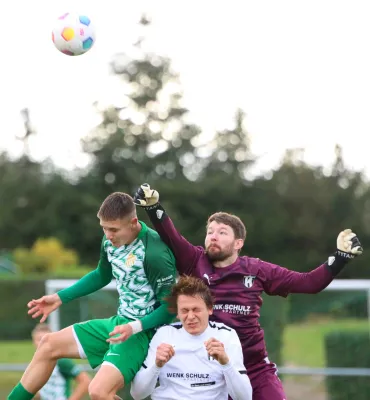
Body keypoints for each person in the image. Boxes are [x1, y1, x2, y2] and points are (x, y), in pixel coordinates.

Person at [133, 183, 363, 400]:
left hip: (253, 366)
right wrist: (154, 207)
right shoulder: (195, 261)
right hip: (210, 370)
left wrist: (340, 258)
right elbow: (172, 237)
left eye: (222, 232)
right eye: (210, 231)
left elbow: (308, 283)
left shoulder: (257, 270)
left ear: (238, 243)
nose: (213, 235)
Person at [8, 192, 177, 400]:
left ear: (133, 222)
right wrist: (60, 297)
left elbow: (171, 308)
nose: (108, 235)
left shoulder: (155, 253)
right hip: (119, 324)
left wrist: (133, 327)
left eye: (113, 229)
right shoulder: (110, 241)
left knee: (98, 391)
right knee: (47, 345)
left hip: (142, 333)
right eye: (104, 228)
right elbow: (101, 275)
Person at [130, 275, 252, 400]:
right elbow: (137, 394)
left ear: (209, 309)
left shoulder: (226, 335)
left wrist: (226, 363)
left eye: (196, 309)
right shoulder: (164, 335)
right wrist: (156, 365)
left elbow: (245, 397)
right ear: (177, 313)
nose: (190, 316)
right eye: (184, 311)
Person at [31, 323, 91, 400]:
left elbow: (85, 381)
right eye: (39, 339)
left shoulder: (61, 361)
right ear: (33, 341)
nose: (42, 343)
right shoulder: (36, 364)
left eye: (45, 339)